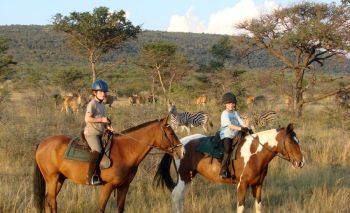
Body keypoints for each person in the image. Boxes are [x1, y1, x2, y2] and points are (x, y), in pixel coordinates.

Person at [84, 79, 111, 185]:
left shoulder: (102, 105)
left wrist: (108, 126)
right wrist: (101, 120)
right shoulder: (92, 104)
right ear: (94, 92)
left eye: (104, 92)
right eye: (101, 92)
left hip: (101, 132)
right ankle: (90, 177)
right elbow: (87, 119)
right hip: (92, 134)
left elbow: (103, 119)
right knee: (98, 150)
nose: (103, 94)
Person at [219, 92, 251, 179]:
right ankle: (223, 170)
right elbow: (229, 125)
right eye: (229, 103)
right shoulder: (224, 113)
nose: (231, 105)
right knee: (227, 150)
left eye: (233, 103)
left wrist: (247, 128)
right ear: (225, 104)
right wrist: (241, 129)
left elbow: (241, 122)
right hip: (227, 134)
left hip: (235, 134)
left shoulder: (235, 113)